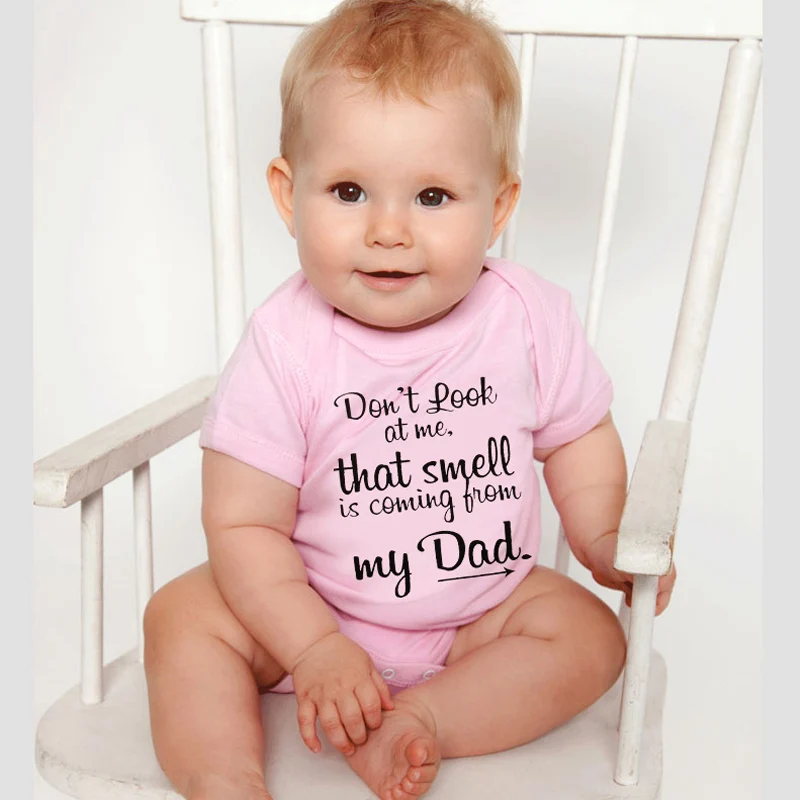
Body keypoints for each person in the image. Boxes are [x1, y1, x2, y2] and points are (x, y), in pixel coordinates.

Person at [143, 1, 677, 798]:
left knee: (590, 637)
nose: (388, 230)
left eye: (432, 197)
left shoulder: (527, 318)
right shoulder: (284, 344)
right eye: (349, 190)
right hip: (308, 607)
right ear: (289, 194)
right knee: (182, 619)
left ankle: (421, 719)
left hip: (478, 617)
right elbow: (243, 522)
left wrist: (601, 532)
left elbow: (577, 437)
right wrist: (313, 646)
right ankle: (227, 781)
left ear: (497, 208)